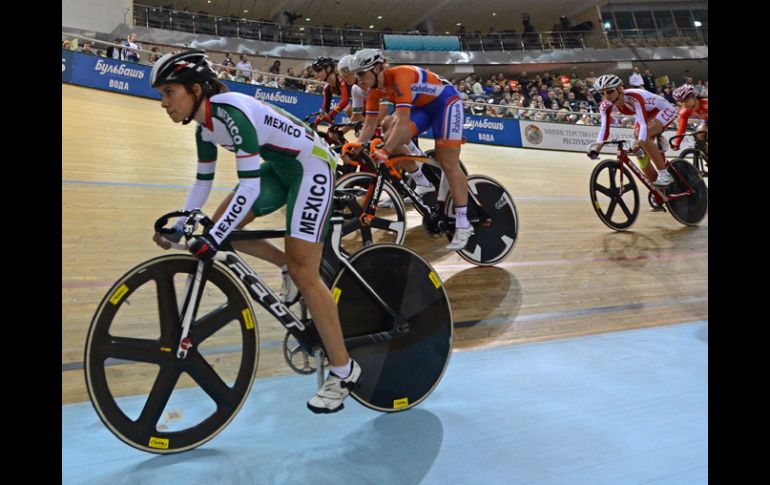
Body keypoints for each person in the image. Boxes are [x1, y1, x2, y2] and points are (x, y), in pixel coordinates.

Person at [149, 50, 361, 414]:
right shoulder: (204, 127)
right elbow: (202, 183)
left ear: (195, 89)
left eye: (169, 92)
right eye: (162, 95)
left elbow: (247, 188)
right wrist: (179, 227)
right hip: (281, 166)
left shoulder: (230, 113)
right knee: (219, 228)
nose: (164, 103)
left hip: (312, 167)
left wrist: (211, 238)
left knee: (305, 272)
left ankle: (344, 371)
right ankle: (284, 264)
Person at [347, 49, 472, 250]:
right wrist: (356, 147)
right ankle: (422, 181)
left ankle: (464, 223)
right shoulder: (374, 90)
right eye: (357, 74)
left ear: (377, 68)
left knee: (448, 163)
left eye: (362, 73)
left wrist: (385, 151)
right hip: (423, 107)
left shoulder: (400, 76)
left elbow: (403, 121)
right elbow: (370, 124)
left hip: (446, 103)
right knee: (388, 134)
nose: (358, 79)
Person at [587, 74, 678, 186]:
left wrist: (641, 140)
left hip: (663, 109)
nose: (606, 96)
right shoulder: (605, 105)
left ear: (620, 89)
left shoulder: (634, 97)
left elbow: (643, 125)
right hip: (647, 114)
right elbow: (604, 128)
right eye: (602, 93)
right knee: (637, 147)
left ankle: (664, 174)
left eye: (609, 91)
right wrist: (598, 145)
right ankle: (656, 184)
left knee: (644, 137)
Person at [670, 85, 708, 154]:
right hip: (706, 121)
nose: (684, 103)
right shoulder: (684, 111)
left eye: (685, 100)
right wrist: (677, 143)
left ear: (694, 97)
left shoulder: (706, 104)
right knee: (699, 135)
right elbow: (681, 128)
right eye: (680, 101)